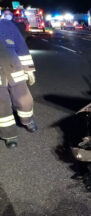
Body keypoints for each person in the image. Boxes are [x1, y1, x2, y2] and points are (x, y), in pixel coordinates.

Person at [0, 13, 37, 148]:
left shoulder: (7, 25)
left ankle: (28, 120)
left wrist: (29, 70)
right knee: (2, 105)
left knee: (25, 100)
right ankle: (9, 135)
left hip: (14, 69)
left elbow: (22, 47)